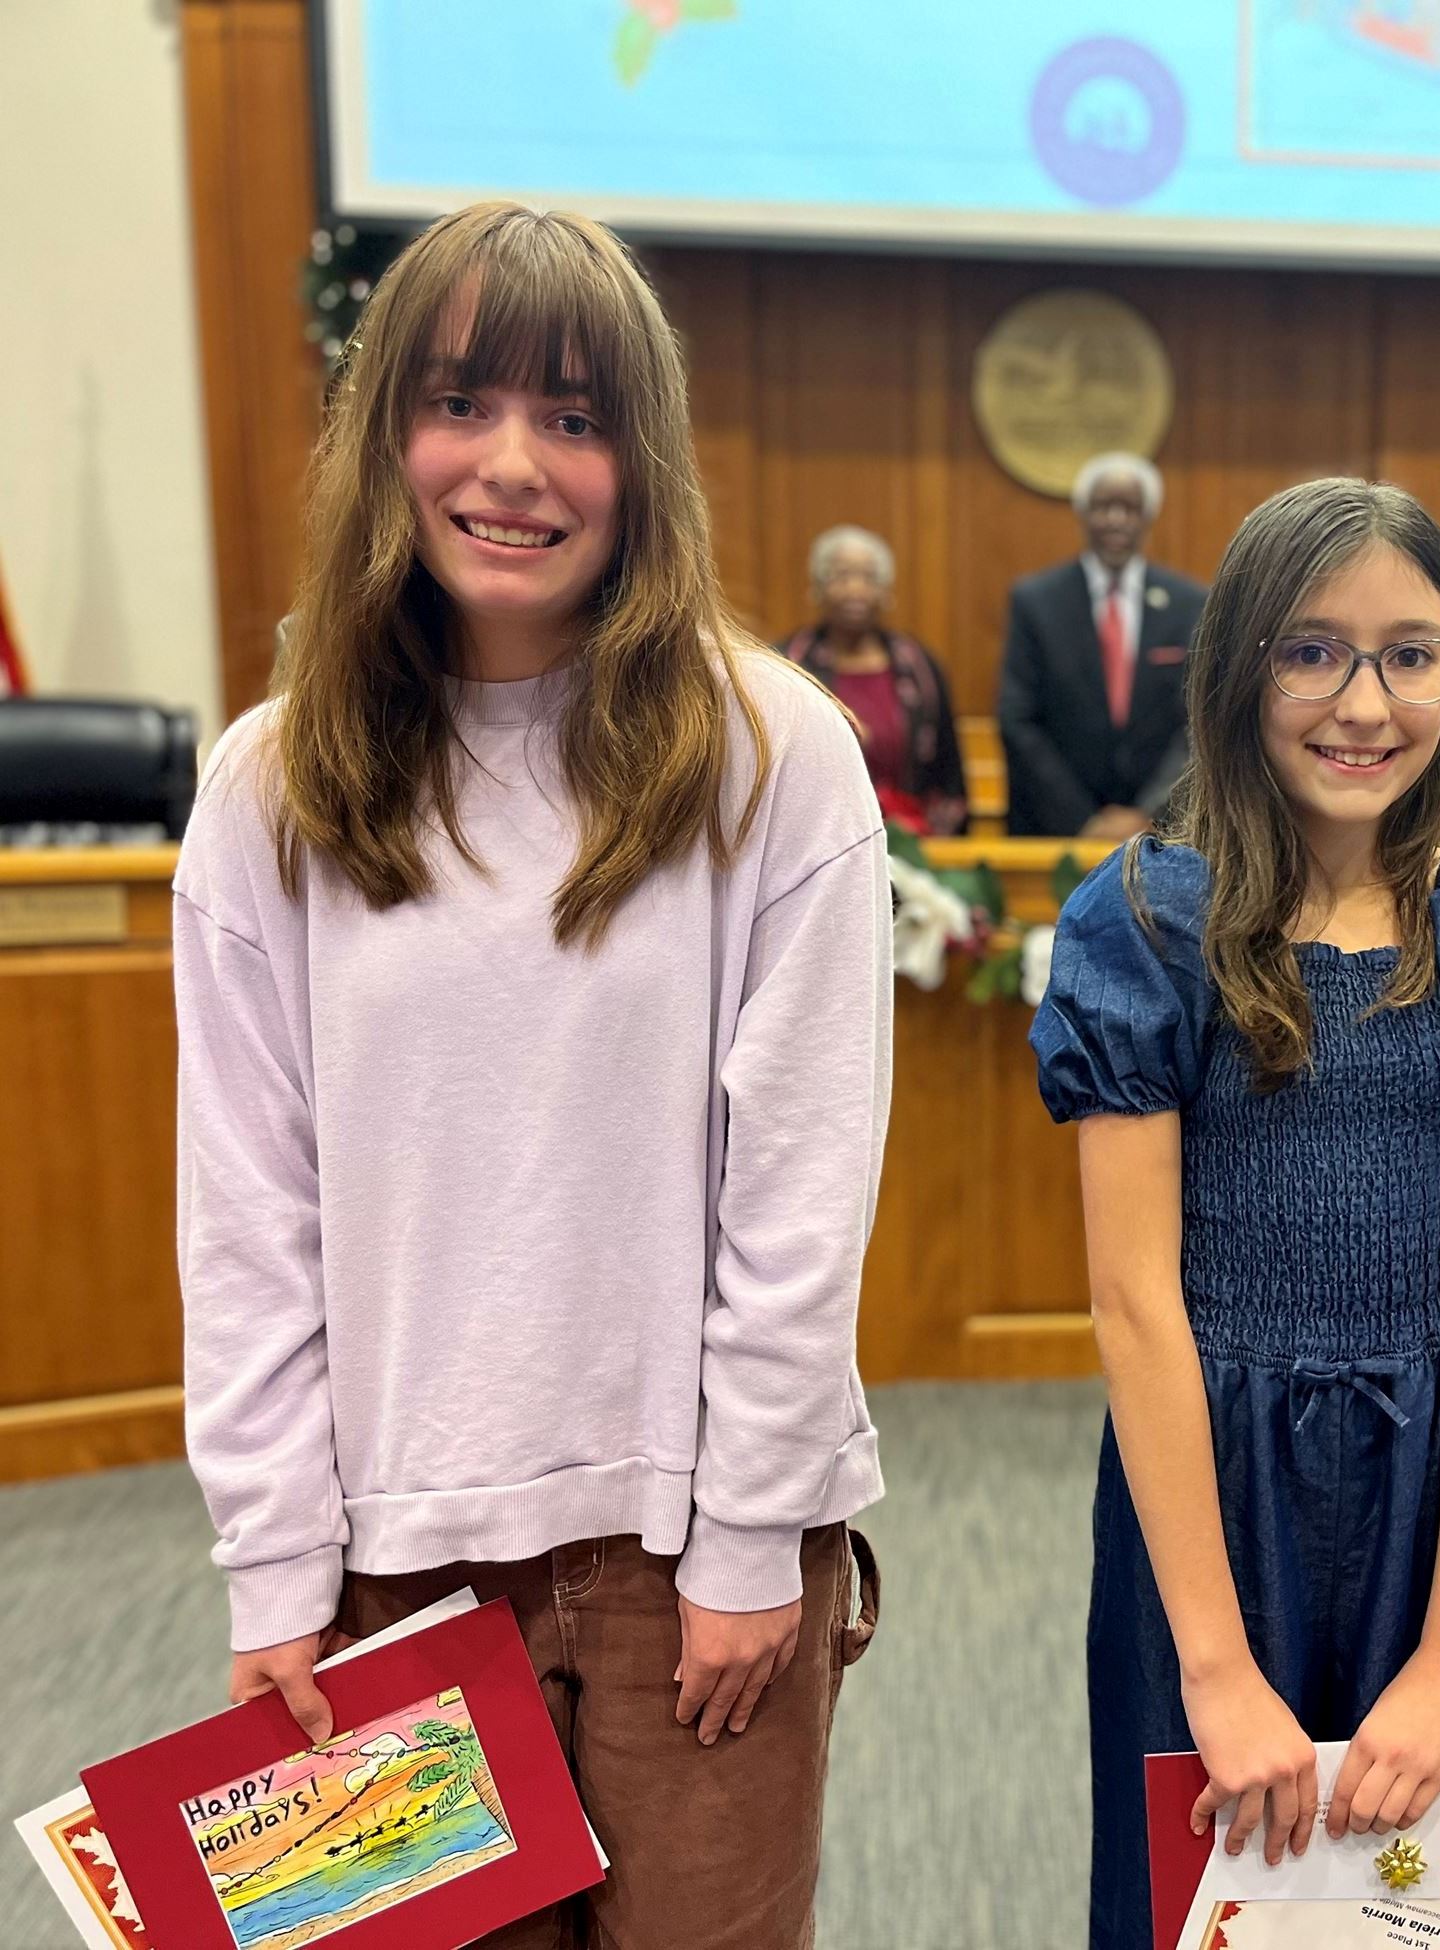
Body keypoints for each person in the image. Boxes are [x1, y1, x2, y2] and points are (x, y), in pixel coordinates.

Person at [173, 202, 888, 1950]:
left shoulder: (772, 751)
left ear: (642, 464)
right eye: (461, 404)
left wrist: (740, 1545)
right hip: (388, 1568)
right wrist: (276, 1568)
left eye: (575, 418)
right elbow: (248, 1214)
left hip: (690, 1563)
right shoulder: (269, 787)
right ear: (381, 439)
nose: (514, 466)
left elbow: (797, 1191)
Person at [1031, 478, 1440, 1949]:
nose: (1367, 700)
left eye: (1412, 653)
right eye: (1313, 651)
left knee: (1421, 1901)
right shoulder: (1146, 923)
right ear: (1238, 671)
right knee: (1210, 1898)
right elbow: (1135, 1303)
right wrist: (1214, 1667)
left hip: (1436, 1493)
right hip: (1210, 1492)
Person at [997, 451, 1207, 838]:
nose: (1115, 519)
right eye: (1103, 506)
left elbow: (1197, 721)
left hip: (1164, 831)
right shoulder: (1036, 601)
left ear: (1148, 517)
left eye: (1129, 508)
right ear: (1082, 514)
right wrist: (1083, 820)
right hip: (1056, 829)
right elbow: (1018, 718)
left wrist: (1147, 813)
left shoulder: (1189, 603)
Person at [778, 523, 968, 835]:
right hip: (816, 838)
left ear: (886, 591)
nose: (856, 589)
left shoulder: (920, 668)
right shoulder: (788, 666)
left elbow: (948, 772)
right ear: (816, 589)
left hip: (910, 843)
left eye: (869, 577)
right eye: (841, 576)